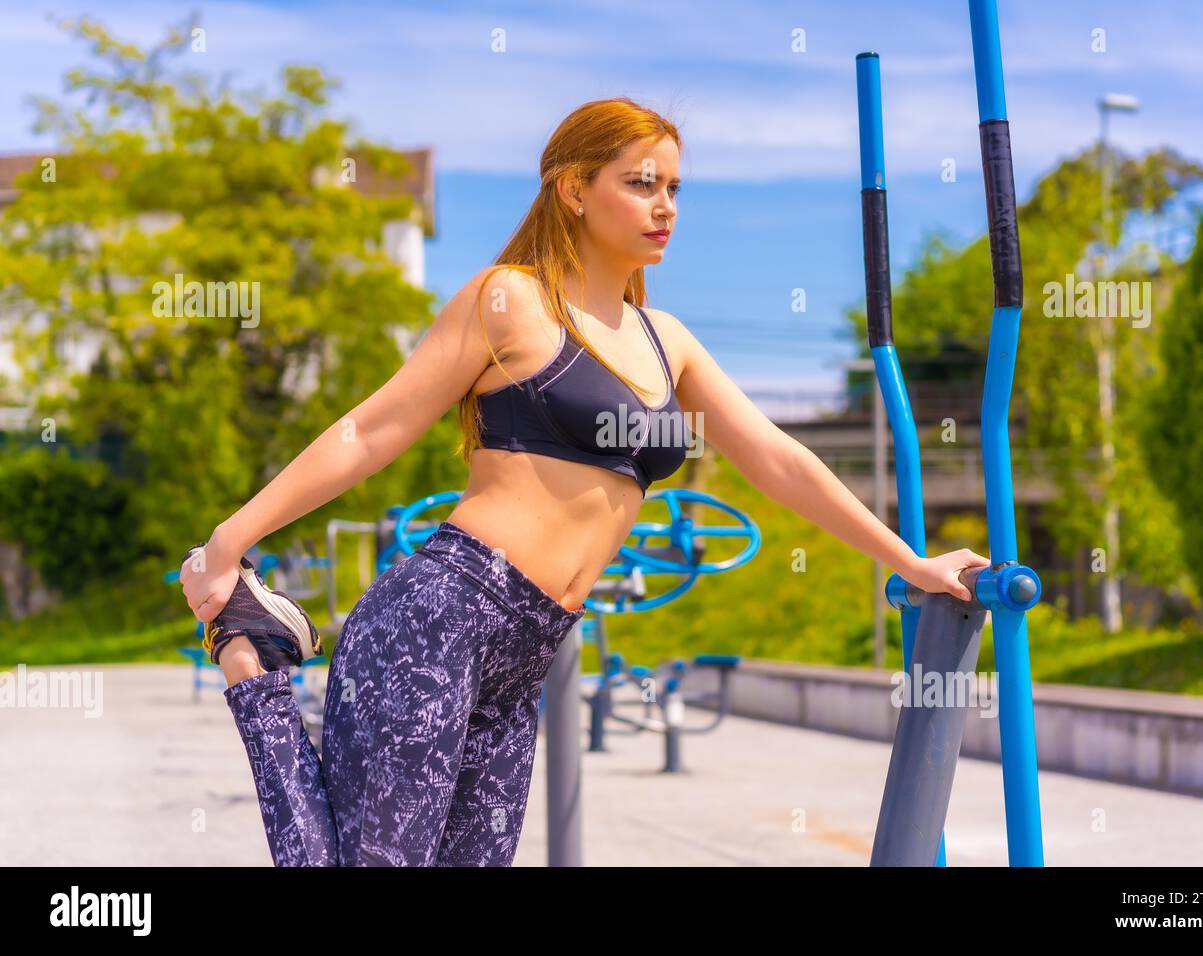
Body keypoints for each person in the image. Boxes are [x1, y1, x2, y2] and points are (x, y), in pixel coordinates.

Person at [178, 96, 989, 867]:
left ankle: (252, 648)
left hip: (529, 650)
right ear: (573, 188)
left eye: (673, 187)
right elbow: (373, 430)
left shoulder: (666, 340)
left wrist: (911, 563)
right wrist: (231, 540)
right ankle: (250, 662)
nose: (664, 205)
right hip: (441, 620)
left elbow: (779, 460)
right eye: (641, 183)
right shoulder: (510, 300)